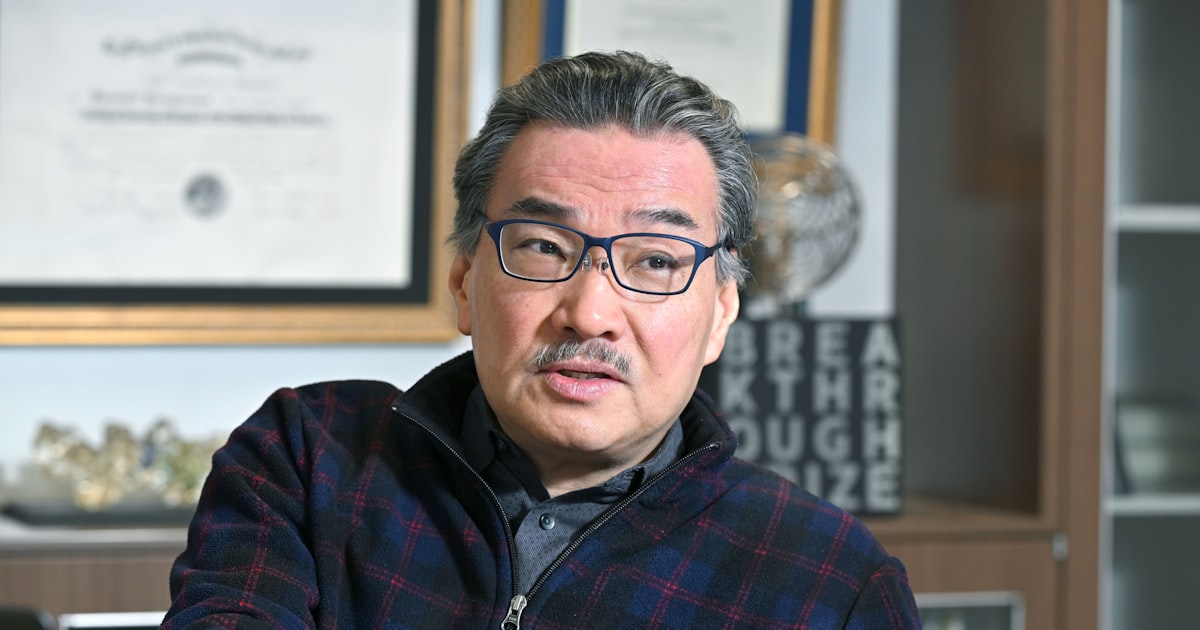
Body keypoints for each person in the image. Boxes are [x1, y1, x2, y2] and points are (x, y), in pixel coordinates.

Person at [162, 50, 921, 628]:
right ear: (465, 283)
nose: (590, 313)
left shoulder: (831, 581)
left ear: (721, 312)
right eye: (543, 247)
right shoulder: (310, 459)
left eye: (656, 261)